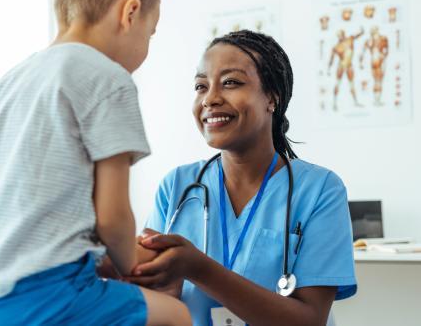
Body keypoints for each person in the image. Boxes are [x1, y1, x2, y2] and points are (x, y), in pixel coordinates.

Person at [0, 0, 190, 325]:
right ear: (130, 12)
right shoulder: (108, 78)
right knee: (175, 315)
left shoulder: (9, 83)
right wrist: (128, 265)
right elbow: (112, 218)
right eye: (150, 34)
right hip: (33, 291)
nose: (146, 48)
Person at [127, 30, 357, 326]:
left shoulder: (320, 190)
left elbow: (310, 319)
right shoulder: (177, 187)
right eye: (200, 86)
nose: (210, 99)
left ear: (272, 97)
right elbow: (151, 298)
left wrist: (199, 269)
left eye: (231, 83)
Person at [328, 28, 365, 109]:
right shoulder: (336, 47)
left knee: (352, 84)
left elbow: (357, 36)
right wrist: (329, 68)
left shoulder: (350, 39)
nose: (340, 36)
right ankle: (334, 103)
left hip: (349, 65)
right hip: (341, 66)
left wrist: (362, 32)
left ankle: (355, 102)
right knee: (338, 83)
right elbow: (331, 58)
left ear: (343, 34)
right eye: (338, 35)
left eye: (340, 34)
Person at [359, 26, 389, 106]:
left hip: (375, 60)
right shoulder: (380, 39)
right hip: (378, 60)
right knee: (378, 81)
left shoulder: (380, 39)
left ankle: (377, 99)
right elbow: (385, 51)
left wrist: (361, 62)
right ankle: (377, 100)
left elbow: (386, 51)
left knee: (377, 81)